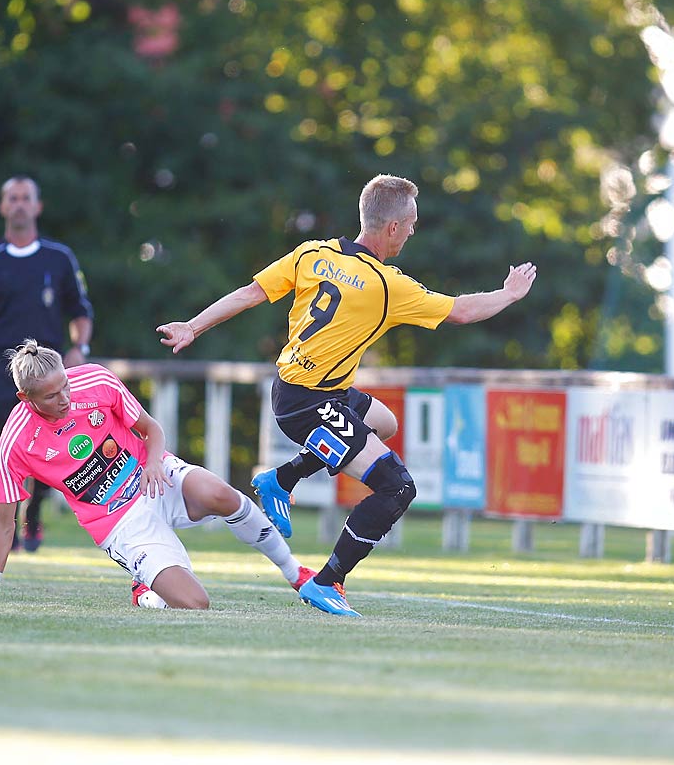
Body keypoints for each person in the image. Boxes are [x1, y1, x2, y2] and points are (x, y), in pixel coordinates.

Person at [156, 173, 538, 617]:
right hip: (310, 405)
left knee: (385, 423)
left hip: (301, 390)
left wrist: (192, 325)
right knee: (397, 488)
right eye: (411, 222)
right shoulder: (387, 285)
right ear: (393, 227)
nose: (414, 230)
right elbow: (463, 311)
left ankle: (282, 478)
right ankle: (328, 580)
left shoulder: (314, 253)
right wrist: (509, 294)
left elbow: (249, 293)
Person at [0, 341, 308, 609]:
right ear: (25, 398)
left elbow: (151, 429)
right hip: (119, 524)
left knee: (220, 495)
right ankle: (145, 590)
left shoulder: (95, 380)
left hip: (154, 476)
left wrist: (152, 463)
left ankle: (297, 574)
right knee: (196, 604)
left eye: (64, 385)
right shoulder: (16, 441)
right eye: (51, 396)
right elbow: (4, 521)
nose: (65, 398)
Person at [0, 176, 94, 553]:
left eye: (25, 198)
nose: (18, 204)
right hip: (1, 368)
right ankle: (10, 524)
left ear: (37, 206)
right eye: (11, 198)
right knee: (7, 448)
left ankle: (35, 516)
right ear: (3, 207)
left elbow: (80, 311)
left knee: (51, 442)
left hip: (48, 367)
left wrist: (80, 346)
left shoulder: (58, 258)